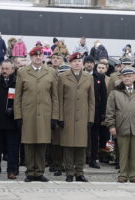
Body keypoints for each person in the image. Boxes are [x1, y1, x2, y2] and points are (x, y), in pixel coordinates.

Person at [14, 46, 59, 182]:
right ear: (31, 57)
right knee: (29, 143)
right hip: (28, 113)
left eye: (40, 56)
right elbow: (18, 96)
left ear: (44, 57)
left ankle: (39, 172)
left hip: (45, 113)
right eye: (35, 56)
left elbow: (55, 96)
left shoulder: (50, 72)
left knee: (42, 142)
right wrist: (18, 115)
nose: (38, 58)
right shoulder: (23, 72)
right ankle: (30, 172)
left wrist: (54, 116)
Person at [106, 67, 135, 183]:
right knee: (123, 152)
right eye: (125, 76)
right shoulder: (115, 93)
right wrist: (111, 125)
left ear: (134, 77)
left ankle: (133, 175)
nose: (127, 78)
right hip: (122, 126)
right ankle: (123, 174)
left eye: (130, 76)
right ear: (121, 78)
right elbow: (110, 111)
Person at [58, 52, 95, 182]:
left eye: (79, 61)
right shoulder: (63, 77)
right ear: (70, 63)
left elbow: (91, 100)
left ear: (82, 63)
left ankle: (79, 172)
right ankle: (69, 172)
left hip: (83, 116)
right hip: (68, 116)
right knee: (68, 145)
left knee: (81, 145)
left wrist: (90, 118)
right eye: (74, 61)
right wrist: (60, 118)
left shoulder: (88, 78)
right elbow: (60, 99)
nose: (77, 63)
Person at [0, 59, 19, 180]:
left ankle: (12, 171)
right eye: (3, 69)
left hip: (12, 122)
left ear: (13, 70)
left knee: (13, 148)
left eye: (7, 69)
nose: (4, 71)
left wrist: (14, 111)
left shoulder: (17, 83)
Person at [83, 55, 107, 169]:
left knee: (94, 136)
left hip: (96, 112)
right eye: (87, 62)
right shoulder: (80, 76)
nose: (89, 64)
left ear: (94, 64)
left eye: (91, 62)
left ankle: (93, 159)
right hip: (81, 111)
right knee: (81, 135)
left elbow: (104, 96)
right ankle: (82, 159)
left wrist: (103, 112)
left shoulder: (99, 77)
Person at [48, 52, 65, 176]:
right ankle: (52, 162)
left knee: (61, 139)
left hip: (65, 110)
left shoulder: (66, 71)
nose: (55, 60)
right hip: (50, 109)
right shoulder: (48, 72)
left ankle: (61, 163)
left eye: (58, 58)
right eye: (53, 58)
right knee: (52, 139)